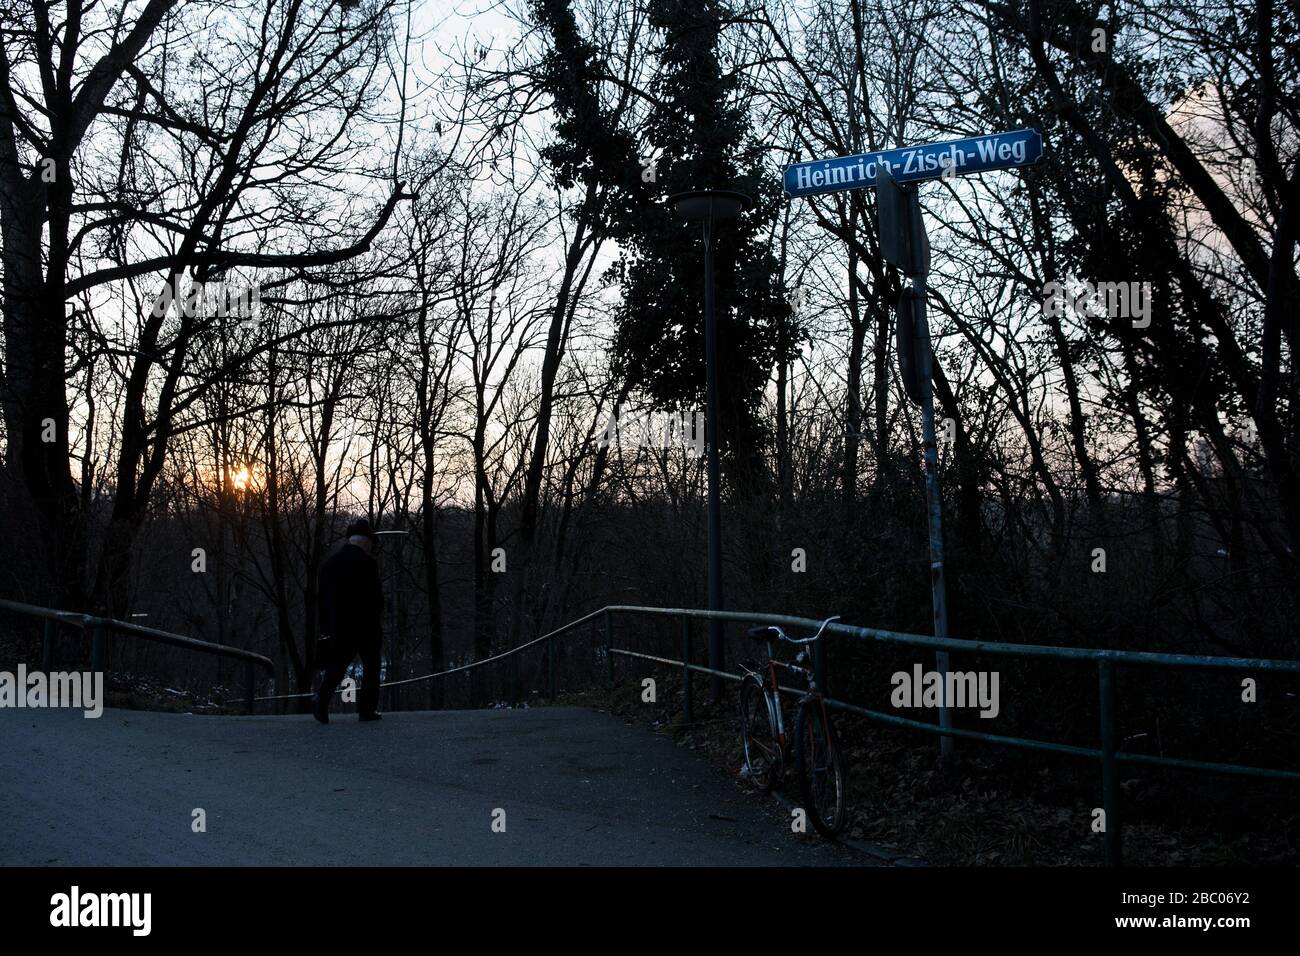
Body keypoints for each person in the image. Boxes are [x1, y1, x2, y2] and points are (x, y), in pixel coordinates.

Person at [314, 518, 384, 724]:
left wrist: (326, 625)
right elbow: (375, 598)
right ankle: (366, 710)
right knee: (372, 667)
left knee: (337, 665)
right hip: (366, 625)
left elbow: (322, 600)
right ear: (365, 542)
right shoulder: (368, 564)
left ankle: (321, 700)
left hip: (339, 626)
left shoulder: (329, 565)